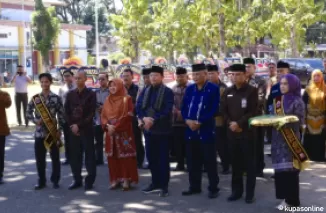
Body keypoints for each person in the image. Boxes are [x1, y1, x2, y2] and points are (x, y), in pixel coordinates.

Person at [181, 64, 220, 199]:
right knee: (192, 161)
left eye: (198, 74)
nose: (196, 77)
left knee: (209, 161)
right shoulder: (190, 89)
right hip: (190, 131)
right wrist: (187, 120)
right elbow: (184, 107)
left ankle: (213, 188)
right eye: (194, 74)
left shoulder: (213, 89)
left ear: (205, 74)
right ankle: (194, 187)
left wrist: (200, 122)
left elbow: (214, 109)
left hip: (206, 130)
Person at [221, 64, 258, 204]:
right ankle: (236, 191)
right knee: (235, 164)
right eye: (232, 74)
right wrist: (231, 123)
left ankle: (250, 194)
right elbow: (223, 110)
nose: (235, 77)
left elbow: (253, 111)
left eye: (238, 74)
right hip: (232, 133)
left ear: (245, 75)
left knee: (249, 165)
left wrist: (240, 124)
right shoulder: (228, 91)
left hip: (247, 133)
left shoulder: (251, 91)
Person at [136, 66, 174, 197]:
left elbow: (167, 110)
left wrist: (152, 119)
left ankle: (164, 186)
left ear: (162, 77)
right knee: (152, 158)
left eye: (156, 75)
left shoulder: (168, 91)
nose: (153, 78)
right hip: (149, 131)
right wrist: (143, 118)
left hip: (162, 130)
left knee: (162, 159)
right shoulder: (146, 90)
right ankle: (155, 183)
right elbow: (139, 106)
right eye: (151, 76)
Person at [272, 74, 307, 208]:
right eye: (281, 83)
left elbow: (300, 121)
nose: (282, 86)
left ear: (293, 85)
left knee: (291, 172)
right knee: (281, 172)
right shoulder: (278, 100)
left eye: (286, 84)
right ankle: (286, 199)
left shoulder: (298, 101)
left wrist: (285, 121)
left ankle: (293, 201)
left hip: (290, 139)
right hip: (278, 140)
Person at [26, 73, 65, 190]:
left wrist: (60, 130)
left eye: (46, 82)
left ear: (50, 82)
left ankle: (55, 180)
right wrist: (35, 120)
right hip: (39, 133)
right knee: (40, 158)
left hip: (53, 132)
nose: (44, 84)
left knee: (55, 158)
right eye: (42, 82)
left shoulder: (56, 98)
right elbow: (28, 113)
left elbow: (62, 116)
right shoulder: (36, 98)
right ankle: (41, 181)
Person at [101, 78, 138, 190]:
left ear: (120, 86)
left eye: (114, 85)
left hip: (123, 133)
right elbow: (103, 115)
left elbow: (128, 116)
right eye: (110, 86)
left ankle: (126, 179)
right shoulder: (107, 99)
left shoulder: (127, 99)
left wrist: (115, 127)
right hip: (110, 133)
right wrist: (107, 126)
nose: (112, 88)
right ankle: (115, 179)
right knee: (112, 157)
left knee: (125, 156)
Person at [64, 69, 97, 191]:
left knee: (89, 156)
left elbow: (91, 113)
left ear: (85, 79)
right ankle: (77, 180)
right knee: (75, 156)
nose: (77, 80)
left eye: (80, 78)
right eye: (76, 78)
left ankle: (89, 181)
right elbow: (66, 111)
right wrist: (72, 125)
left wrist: (79, 125)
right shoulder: (70, 94)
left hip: (86, 129)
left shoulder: (91, 94)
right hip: (73, 130)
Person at [244, 58, 266, 177]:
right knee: (245, 144)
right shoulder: (240, 81)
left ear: (254, 68)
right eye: (245, 67)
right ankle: (247, 167)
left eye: (249, 67)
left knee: (257, 144)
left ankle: (259, 167)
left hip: (257, 117)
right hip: (242, 118)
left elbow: (260, 98)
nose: (246, 69)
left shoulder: (260, 81)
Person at [207, 64, 230, 174]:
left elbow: (224, 105)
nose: (210, 76)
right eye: (208, 73)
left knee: (221, 145)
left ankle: (226, 165)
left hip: (219, 120)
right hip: (206, 120)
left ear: (218, 74)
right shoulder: (205, 87)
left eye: (212, 73)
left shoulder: (223, 88)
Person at [122, 69, 145, 169]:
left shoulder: (137, 89)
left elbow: (139, 103)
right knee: (125, 140)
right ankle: (127, 159)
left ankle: (139, 161)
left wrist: (132, 110)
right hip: (123, 119)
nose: (125, 78)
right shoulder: (120, 89)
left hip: (134, 118)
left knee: (136, 140)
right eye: (124, 76)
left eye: (127, 76)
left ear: (132, 77)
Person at [303, 70, 326, 162]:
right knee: (309, 137)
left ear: (321, 77)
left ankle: (319, 157)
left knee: (320, 139)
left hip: (321, 118)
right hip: (309, 118)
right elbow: (303, 104)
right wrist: (303, 118)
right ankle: (308, 156)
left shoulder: (324, 89)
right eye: (314, 76)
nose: (316, 78)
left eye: (318, 76)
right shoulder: (307, 90)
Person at [172, 67, 190, 171]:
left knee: (189, 144)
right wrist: (176, 111)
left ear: (186, 76)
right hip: (176, 122)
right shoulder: (173, 88)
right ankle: (180, 164)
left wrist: (182, 113)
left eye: (182, 76)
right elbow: (170, 103)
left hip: (188, 122)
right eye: (178, 76)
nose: (180, 78)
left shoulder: (192, 87)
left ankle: (190, 164)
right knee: (178, 145)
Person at [58, 68, 76, 165]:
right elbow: (59, 103)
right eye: (65, 76)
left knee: (76, 138)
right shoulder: (62, 89)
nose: (66, 77)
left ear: (72, 77)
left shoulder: (76, 87)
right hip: (65, 116)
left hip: (75, 117)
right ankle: (68, 158)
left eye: (68, 75)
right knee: (67, 139)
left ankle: (77, 158)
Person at [94, 73, 109, 166]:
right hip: (98, 120)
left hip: (109, 121)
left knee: (110, 141)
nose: (101, 81)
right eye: (99, 79)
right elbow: (92, 103)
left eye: (103, 79)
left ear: (107, 80)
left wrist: (104, 108)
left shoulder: (111, 91)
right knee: (98, 141)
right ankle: (99, 159)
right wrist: (98, 107)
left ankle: (111, 159)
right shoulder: (95, 92)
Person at [0, 88, 12, 185]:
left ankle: (0, 175)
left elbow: (8, 104)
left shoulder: (3, 94)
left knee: (0, 153)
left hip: (1, 129)